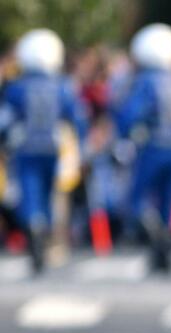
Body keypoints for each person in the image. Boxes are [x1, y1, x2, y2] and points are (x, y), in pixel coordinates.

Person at [0, 28, 87, 273]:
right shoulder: (62, 86)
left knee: (30, 191)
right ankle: (44, 230)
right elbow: (77, 119)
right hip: (52, 147)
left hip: (26, 148)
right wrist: (82, 147)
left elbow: (4, 120)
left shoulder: (17, 87)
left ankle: (35, 227)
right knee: (48, 192)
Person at [115, 23, 171, 273]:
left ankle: (157, 235)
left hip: (152, 147)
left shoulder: (145, 81)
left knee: (137, 200)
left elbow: (131, 114)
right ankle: (163, 252)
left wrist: (125, 135)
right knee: (168, 201)